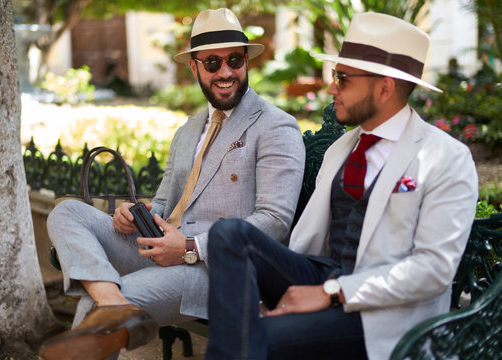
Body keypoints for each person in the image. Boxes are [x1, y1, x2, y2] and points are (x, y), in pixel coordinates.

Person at [205, 12, 478, 360]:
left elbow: (433, 270)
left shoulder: (444, 157)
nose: (331, 88)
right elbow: (312, 240)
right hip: (324, 274)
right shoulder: (341, 148)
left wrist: (333, 292)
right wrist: (260, 299)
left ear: (385, 86)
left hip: (384, 315)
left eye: (343, 78)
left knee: (257, 338)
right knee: (229, 235)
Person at [39, 8, 305, 360]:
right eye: (212, 63)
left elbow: (274, 221)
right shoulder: (188, 131)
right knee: (68, 211)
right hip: (161, 249)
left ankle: (113, 302)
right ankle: (113, 301)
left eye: (235, 60)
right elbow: (164, 203)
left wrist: (191, 247)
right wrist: (135, 215)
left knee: (97, 303)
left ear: (246, 62)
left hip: (223, 271)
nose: (225, 72)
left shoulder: (276, 126)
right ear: (194, 67)